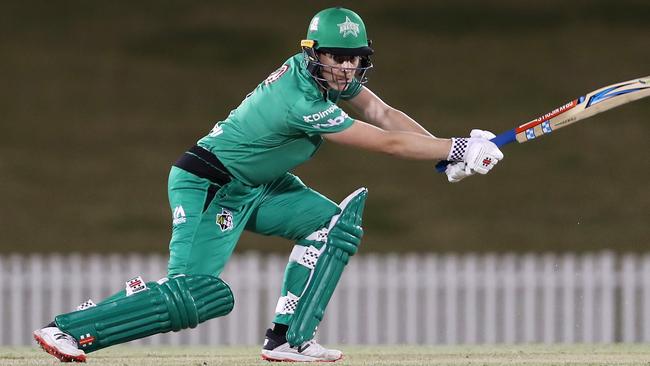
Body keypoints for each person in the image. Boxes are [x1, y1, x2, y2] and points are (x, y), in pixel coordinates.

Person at [33, 7, 504, 363]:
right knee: (196, 292)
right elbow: (385, 144)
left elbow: (383, 114)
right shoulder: (300, 98)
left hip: (258, 185)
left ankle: (288, 340)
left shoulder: (327, 78)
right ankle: (70, 328)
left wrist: (443, 157)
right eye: (336, 58)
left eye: (354, 59)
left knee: (332, 227)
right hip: (210, 184)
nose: (345, 69)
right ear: (313, 54)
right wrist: (455, 149)